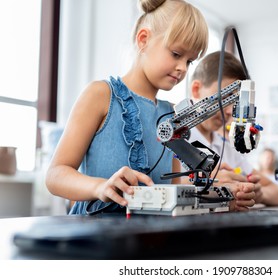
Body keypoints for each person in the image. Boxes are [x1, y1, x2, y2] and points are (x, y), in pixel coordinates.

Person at [45, 0, 257, 215]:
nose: (182, 68)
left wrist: (223, 196)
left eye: (190, 61)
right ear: (143, 40)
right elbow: (55, 176)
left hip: (149, 234)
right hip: (96, 229)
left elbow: (172, 189)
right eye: (176, 54)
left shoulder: (172, 114)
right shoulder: (100, 95)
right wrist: (99, 187)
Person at [185, 51, 278, 206]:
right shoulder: (177, 141)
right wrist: (206, 184)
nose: (229, 111)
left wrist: (259, 193)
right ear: (196, 89)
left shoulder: (227, 148)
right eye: (225, 97)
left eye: (235, 102)